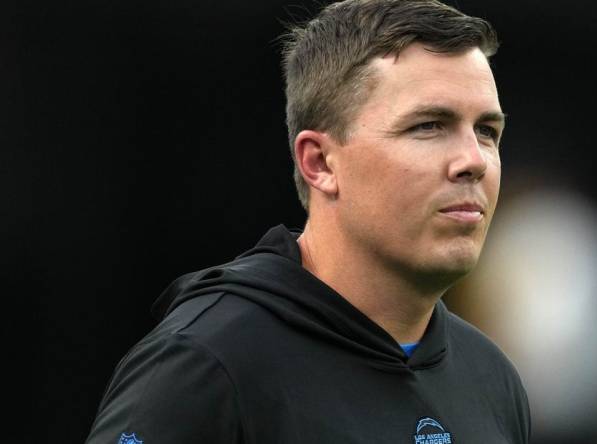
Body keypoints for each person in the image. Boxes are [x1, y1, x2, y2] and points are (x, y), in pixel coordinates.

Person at [86, 0, 530, 442]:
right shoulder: (208, 365)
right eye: (429, 125)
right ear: (319, 163)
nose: (473, 161)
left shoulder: (492, 379)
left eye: (487, 132)